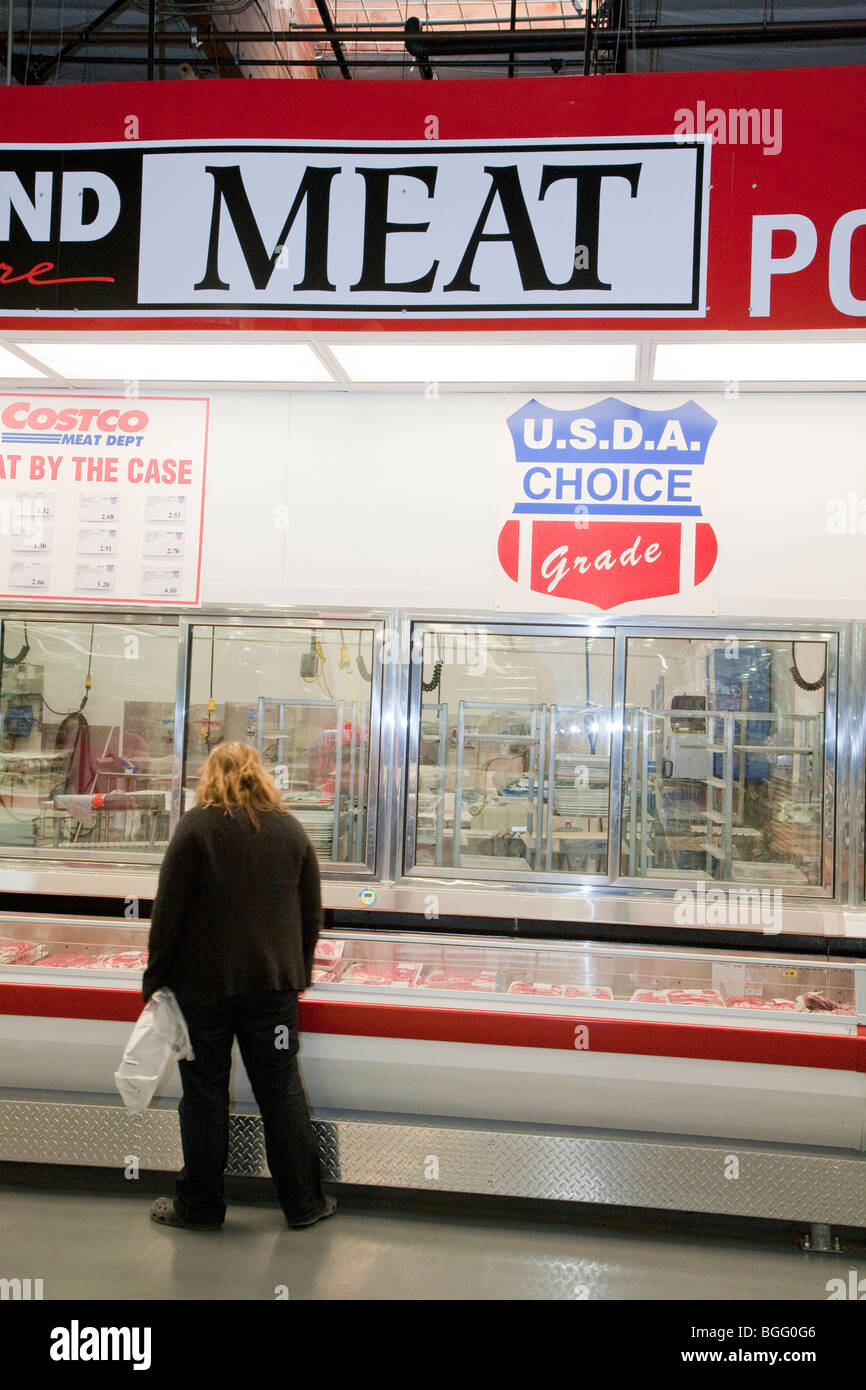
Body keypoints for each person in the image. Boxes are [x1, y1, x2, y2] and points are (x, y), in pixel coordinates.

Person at [142, 741, 334, 1232]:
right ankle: (304, 1203)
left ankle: (201, 1208)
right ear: (261, 777)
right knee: (281, 1090)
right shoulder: (291, 831)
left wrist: (155, 979)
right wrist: (297, 974)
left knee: (204, 1094)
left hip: (201, 990)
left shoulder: (195, 828)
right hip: (271, 990)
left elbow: (168, 913)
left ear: (210, 777)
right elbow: (311, 915)